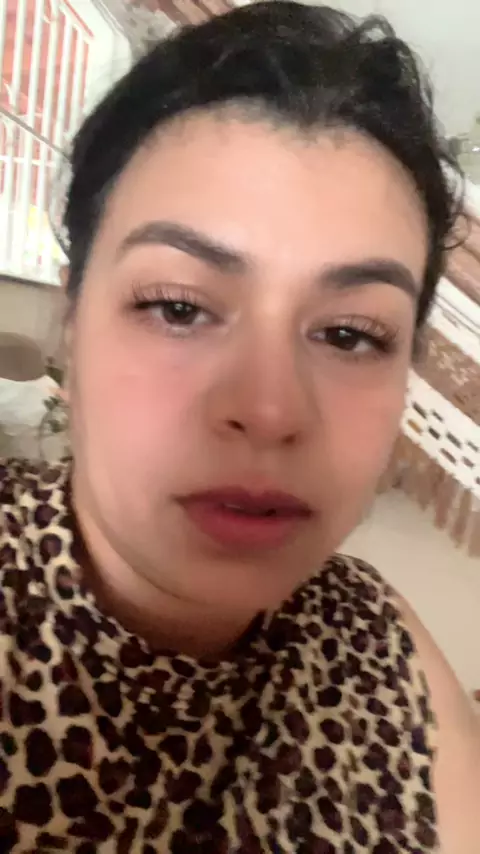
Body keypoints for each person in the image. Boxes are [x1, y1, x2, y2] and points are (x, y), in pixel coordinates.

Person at [0, 2, 478, 851]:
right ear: (72, 321)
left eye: (349, 335)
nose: (269, 409)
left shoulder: (386, 652)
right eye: (179, 307)